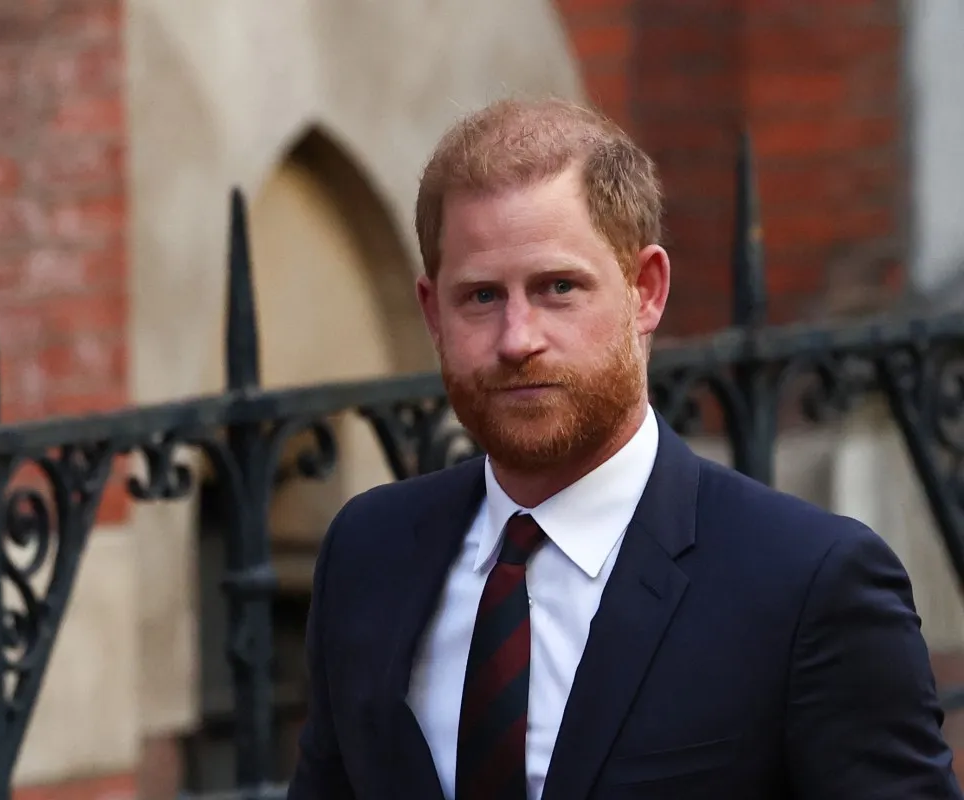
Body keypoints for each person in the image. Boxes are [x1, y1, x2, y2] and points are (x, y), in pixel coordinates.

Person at [285, 97, 961, 800]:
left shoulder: (806, 585)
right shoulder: (369, 554)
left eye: (558, 288)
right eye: (481, 297)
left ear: (647, 291)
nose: (518, 339)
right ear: (433, 312)